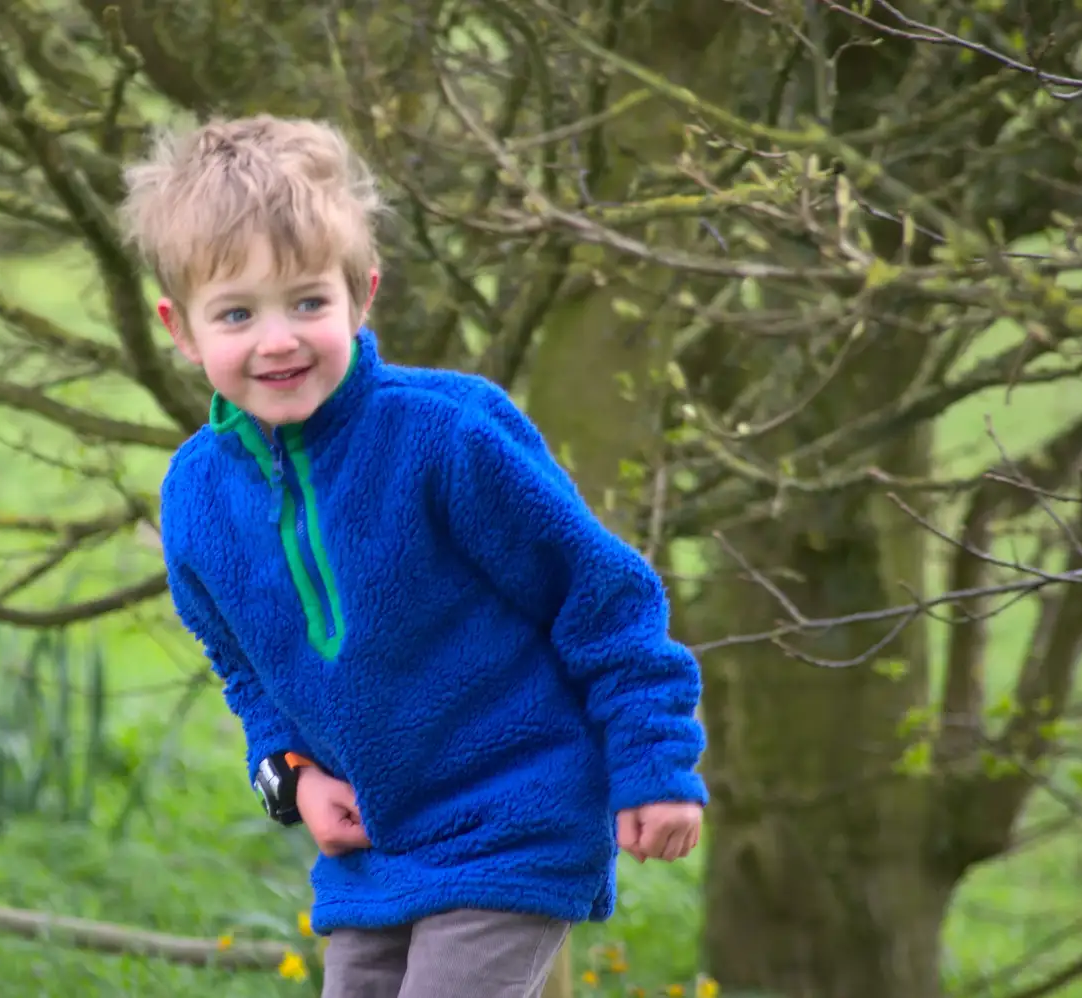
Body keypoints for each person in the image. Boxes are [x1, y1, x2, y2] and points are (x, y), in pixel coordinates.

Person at [119, 114, 708, 998]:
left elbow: (603, 597)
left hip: (515, 813)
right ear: (182, 328)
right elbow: (243, 671)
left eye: (308, 302)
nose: (277, 340)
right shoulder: (196, 497)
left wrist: (655, 764)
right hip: (374, 847)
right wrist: (290, 779)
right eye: (237, 313)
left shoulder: (447, 436)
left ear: (363, 294)